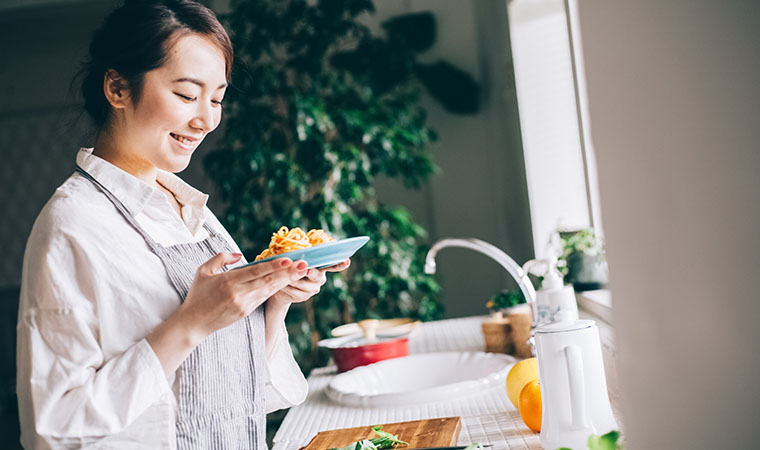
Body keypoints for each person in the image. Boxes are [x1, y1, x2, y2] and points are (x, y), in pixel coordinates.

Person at [16, 1, 349, 448]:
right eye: (187, 95)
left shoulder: (190, 210)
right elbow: (54, 428)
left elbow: (238, 384)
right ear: (116, 88)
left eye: (217, 99)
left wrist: (274, 300)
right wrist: (189, 324)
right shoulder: (72, 225)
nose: (207, 119)